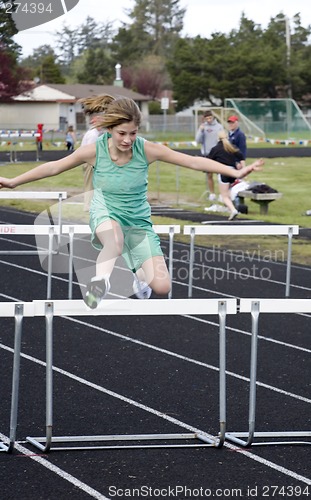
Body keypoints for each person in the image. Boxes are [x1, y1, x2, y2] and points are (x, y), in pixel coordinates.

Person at [0, 95, 263, 309]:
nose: (127, 140)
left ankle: (140, 278)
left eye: (133, 133)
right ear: (109, 129)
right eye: (122, 133)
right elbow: (54, 167)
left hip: (138, 220)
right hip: (105, 210)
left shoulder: (146, 149)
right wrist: (13, 182)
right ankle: (99, 283)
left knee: (162, 286)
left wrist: (236, 172)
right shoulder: (94, 151)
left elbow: (193, 161)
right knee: (113, 241)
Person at [208, 130, 263, 221]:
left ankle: (233, 210)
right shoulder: (231, 147)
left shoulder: (215, 149)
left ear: (218, 138)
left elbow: (209, 161)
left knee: (224, 195)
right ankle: (231, 207)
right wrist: (243, 169)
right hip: (233, 173)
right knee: (229, 191)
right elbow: (241, 157)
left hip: (223, 172)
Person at [79, 95, 111, 211]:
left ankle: (93, 204)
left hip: (90, 161)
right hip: (89, 162)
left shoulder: (96, 133)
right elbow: (92, 151)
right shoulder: (93, 134)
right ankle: (88, 205)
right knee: (90, 185)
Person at [195, 110, 223, 201]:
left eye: (210, 118)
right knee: (209, 175)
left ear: (213, 117)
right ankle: (212, 194)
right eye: (207, 118)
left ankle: (222, 194)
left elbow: (222, 139)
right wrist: (201, 130)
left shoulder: (219, 127)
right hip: (207, 154)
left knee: (220, 175)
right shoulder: (203, 127)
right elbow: (198, 140)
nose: (209, 120)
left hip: (218, 153)